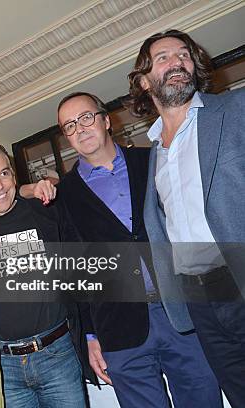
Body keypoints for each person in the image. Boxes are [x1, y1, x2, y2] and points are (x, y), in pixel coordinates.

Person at [57, 91, 220, 407]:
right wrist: (90, 335)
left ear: (106, 121)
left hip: (181, 313)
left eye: (86, 117)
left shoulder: (154, 160)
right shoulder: (63, 195)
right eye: (69, 126)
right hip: (118, 328)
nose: (80, 129)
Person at [129, 29, 245, 406]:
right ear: (145, 82)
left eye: (183, 55)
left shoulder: (236, 109)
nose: (177, 61)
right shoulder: (152, 153)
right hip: (197, 296)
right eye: (163, 57)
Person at [0, 141, 90, 408]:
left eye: (4, 173)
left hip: (58, 354)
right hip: (5, 366)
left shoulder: (46, 210)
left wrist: (93, 335)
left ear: (14, 174)